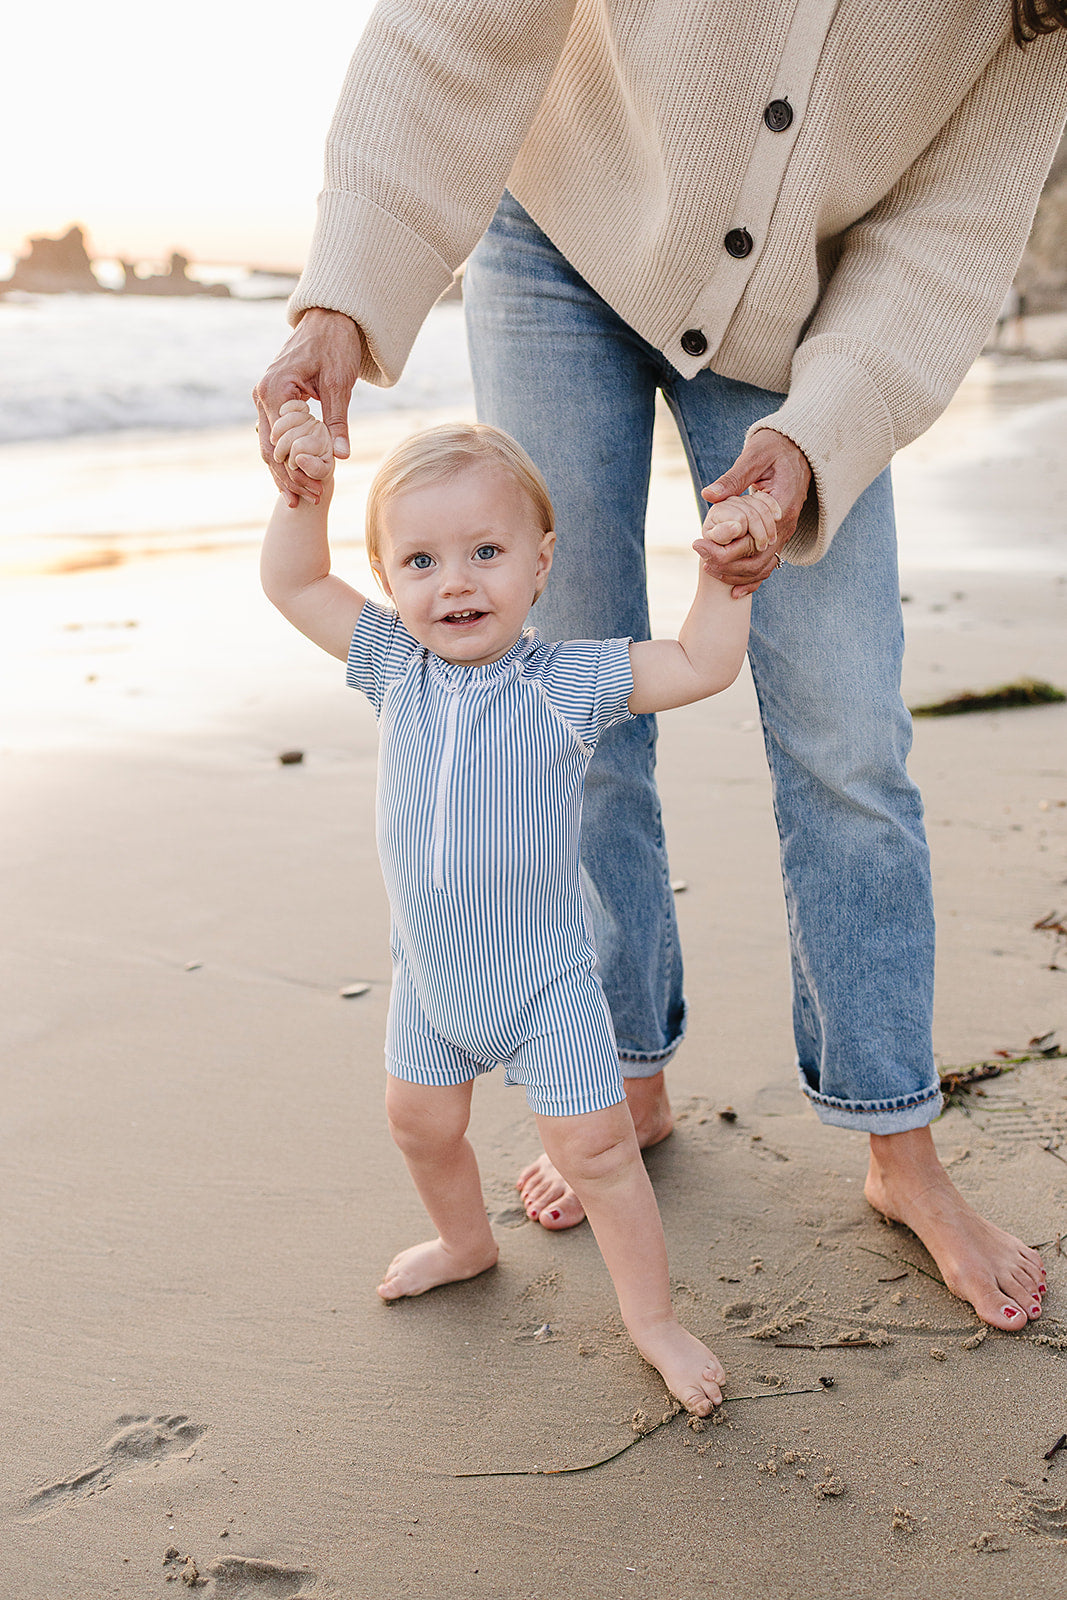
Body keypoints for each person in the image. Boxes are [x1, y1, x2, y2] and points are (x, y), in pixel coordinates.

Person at [255, 2, 1066, 1332]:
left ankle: (894, 1146)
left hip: (812, 327)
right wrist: (344, 296)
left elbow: (939, 245)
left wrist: (812, 439)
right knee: (564, 707)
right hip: (555, 242)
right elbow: (456, 28)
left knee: (847, 739)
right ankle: (620, 1075)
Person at [259, 401, 773, 1413]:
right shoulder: (390, 665)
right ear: (388, 577)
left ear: (540, 564)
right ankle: (463, 1240)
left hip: (544, 987)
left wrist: (722, 579)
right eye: (420, 561)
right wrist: (301, 495)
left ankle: (651, 1318)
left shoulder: (566, 680)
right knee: (418, 1125)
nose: (453, 580)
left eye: (485, 551)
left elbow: (701, 664)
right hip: (431, 981)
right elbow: (291, 579)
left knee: (598, 1156)